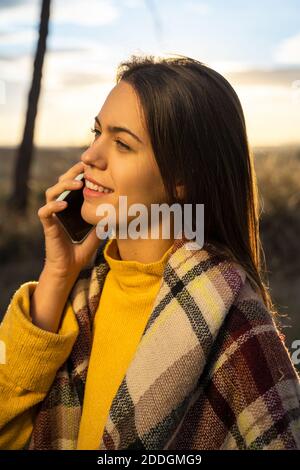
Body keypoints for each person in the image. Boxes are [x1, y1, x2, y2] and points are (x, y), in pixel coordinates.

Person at [0, 54, 299, 450]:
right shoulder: (79, 301)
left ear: (181, 181)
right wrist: (57, 274)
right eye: (97, 132)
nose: (90, 156)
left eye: (122, 143)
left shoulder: (239, 328)